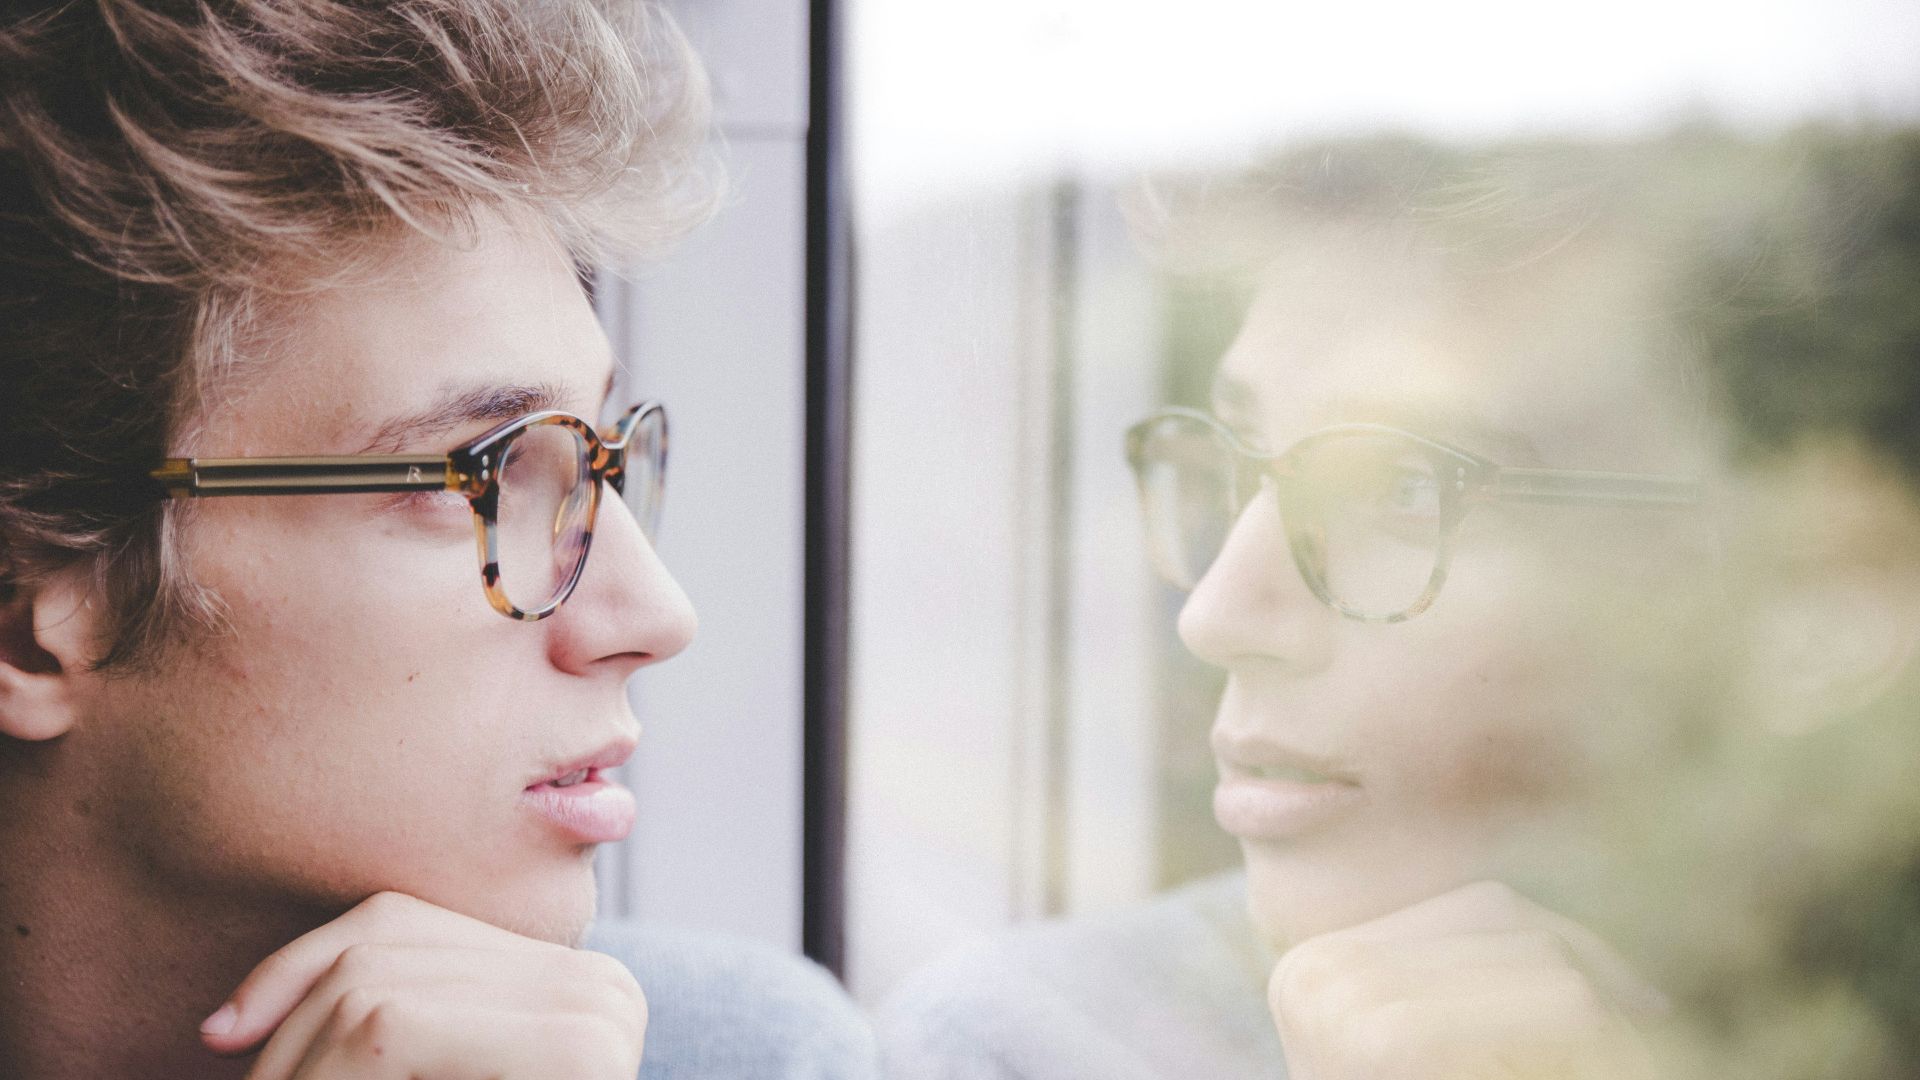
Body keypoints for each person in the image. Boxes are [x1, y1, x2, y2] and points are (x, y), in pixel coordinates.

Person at [880, 129, 1920, 1080]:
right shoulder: (1038, 1047)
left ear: (1828, 596)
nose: (1219, 614)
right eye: (1240, 466)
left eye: (1403, 490)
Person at [0, 2, 874, 1078]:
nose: (656, 616)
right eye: (491, 470)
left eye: (600, 459)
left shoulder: (738, 1054)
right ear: (26, 611)